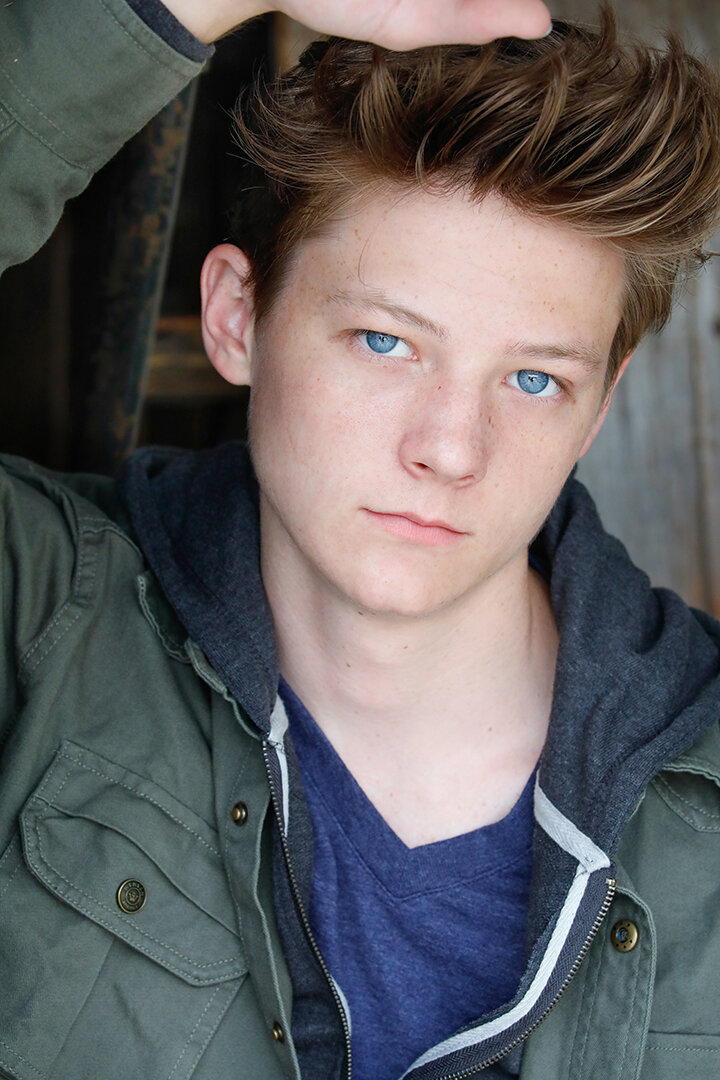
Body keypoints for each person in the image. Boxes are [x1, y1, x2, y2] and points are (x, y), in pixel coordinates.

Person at [1, 2, 720, 1079]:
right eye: (385, 342)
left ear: (600, 407)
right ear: (237, 317)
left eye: (534, 379)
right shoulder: (38, 625)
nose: (451, 448)